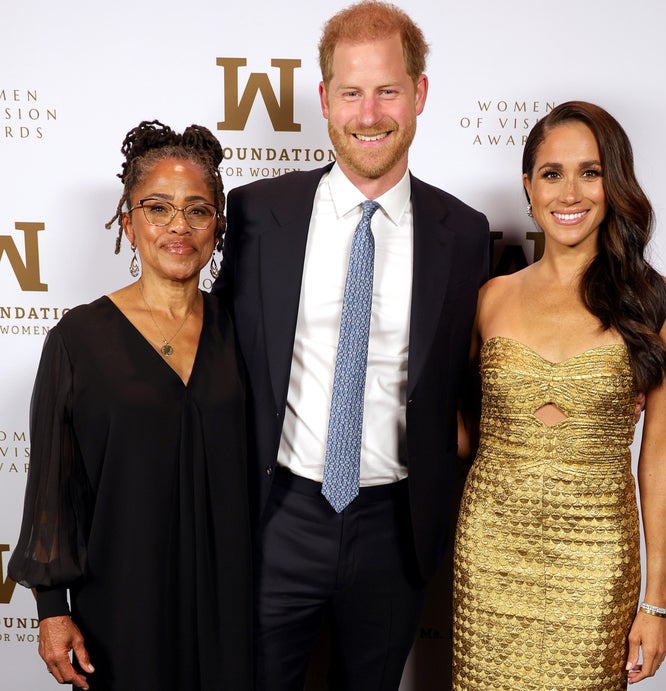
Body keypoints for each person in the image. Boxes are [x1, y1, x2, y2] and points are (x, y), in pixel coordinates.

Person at [212, 2, 489, 688]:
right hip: (278, 517)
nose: (370, 114)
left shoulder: (465, 234)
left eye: (388, 90)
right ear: (325, 100)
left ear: (420, 94)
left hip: (394, 530)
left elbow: (480, 379)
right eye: (352, 92)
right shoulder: (253, 215)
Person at [453, 101, 666, 690]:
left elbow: (658, 457)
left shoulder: (663, 305)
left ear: (615, 184)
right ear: (528, 187)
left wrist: (655, 602)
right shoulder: (489, 298)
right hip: (491, 554)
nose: (570, 192)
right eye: (552, 173)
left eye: (590, 172)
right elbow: (464, 433)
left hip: (596, 561)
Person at [9, 120, 252, 691]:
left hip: (233, 603)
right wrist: (52, 608)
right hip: (119, 608)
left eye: (197, 209)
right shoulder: (79, 339)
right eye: (157, 208)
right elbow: (52, 487)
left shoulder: (245, 331)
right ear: (128, 222)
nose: (179, 226)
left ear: (217, 225)